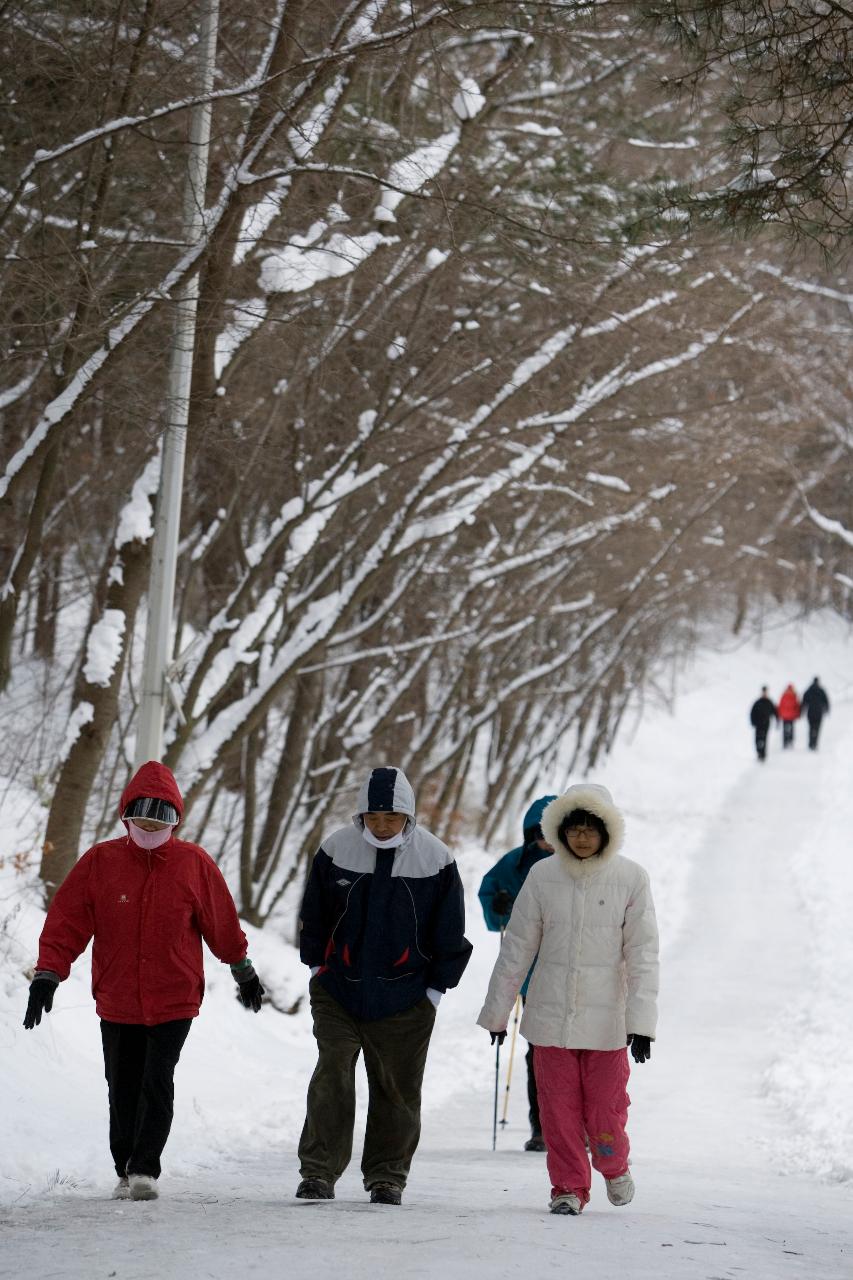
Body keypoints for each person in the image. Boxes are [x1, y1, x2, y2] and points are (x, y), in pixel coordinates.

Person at [22, 760, 264, 1202]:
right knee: (122, 1082)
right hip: (117, 997)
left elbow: (221, 922)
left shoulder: (193, 864)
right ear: (126, 816)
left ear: (175, 820)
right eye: (143, 819)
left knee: (157, 1078)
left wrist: (241, 968)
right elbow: (67, 924)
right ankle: (123, 1166)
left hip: (174, 996)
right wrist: (48, 974)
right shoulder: (101, 862)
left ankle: (144, 1168)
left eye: (161, 820)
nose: (151, 827)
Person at [477, 783, 659, 1216]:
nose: (581, 838)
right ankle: (568, 1188)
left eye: (590, 830)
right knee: (557, 1112)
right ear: (559, 831)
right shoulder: (543, 876)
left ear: (607, 833)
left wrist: (642, 1023)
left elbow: (643, 955)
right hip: (549, 1019)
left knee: (605, 1110)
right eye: (573, 829)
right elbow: (517, 947)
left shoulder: (630, 878)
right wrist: (497, 1014)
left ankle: (613, 1165)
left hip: (606, 1024)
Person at [296, 765, 472, 1206]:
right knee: (332, 1073)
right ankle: (319, 1172)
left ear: (408, 817)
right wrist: (317, 965)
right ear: (361, 815)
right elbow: (314, 913)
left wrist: (435, 989)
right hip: (338, 988)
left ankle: (386, 1176)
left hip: (407, 997)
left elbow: (449, 930)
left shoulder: (435, 858)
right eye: (373, 817)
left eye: (391, 817)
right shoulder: (336, 849)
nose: (382, 825)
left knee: (396, 1088)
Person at [478, 794, 556, 1152]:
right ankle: (541, 1127)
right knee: (539, 1050)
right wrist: (498, 909)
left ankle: (574, 1125)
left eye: (552, 831)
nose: (546, 839)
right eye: (539, 832)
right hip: (531, 974)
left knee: (573, 1052)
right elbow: (490, 894)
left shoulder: (575, 864)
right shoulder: (514, 863)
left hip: (571, 969)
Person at [800, 677, 830, 750]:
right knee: (817, 728)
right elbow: (826, 701)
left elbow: (804, 702)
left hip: (810, 712)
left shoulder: (808, 690)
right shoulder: (821, 690)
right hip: (819, 712)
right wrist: (827, 710)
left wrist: (801, 711)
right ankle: (815, 743)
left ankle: (811, 743)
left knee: (811, 728)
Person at [749, 686, 777, 761]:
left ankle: (763, 754)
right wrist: (753, 722)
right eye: (764, 692)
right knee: (758, 739)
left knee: (764, 739)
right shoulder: (757, 702)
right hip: (758, 724)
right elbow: (752, 713)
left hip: (766, 724)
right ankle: (759, 752)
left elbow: (775, 712)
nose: (765, 693)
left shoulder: (769, 702)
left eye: (766, 692)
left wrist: (777, 720)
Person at [777, 683, 800, 748]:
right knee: (791, 728)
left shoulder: (784, 695)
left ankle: (785, 742)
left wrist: (779, 714)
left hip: (784, 715)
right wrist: (797, 714)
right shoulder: (794, 696)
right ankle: (790, 741)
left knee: (785, 729)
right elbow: (797, 706)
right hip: (791, 715)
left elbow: (780, 706)